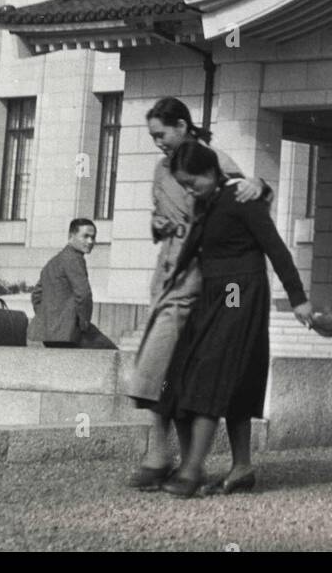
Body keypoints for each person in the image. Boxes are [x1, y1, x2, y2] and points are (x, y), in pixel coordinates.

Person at [126, 97, 268, 491]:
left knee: (179, 370)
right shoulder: (160, 169)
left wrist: (261, 185)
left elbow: (245, 196)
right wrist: (158, 224)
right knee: (165, 371)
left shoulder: (216, 159)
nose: (157, 143)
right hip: (170, 275)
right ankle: (172, 459)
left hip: (205, 281)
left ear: (183, 126)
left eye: (161, 134)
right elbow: (160, 216)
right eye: (153, 136)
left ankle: (179, 461)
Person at [155, 140, 312, 497]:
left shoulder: (242, 197)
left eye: (192, 182)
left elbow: (276, 249)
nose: (189, 190)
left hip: (239, 292)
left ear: (211, 172)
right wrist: (170, 287)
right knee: (186, 373)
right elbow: (193, 247)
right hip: (211, 293)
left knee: (215, 371)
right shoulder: (205, 203)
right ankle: (239, 468)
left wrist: (299, 299)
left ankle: (193, 470)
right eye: (184, 185)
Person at [27, 219, 116, 349]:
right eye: (85, 236)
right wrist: (84, 324)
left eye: (93, 237)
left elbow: (36, 295)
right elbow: (83, 294)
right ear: (71, 236)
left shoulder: (54, 261)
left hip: (48, 335)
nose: (90, 242)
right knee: (113, 354)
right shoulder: (74, 258)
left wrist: (48, 319)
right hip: (70, 333)